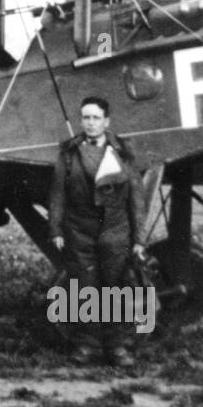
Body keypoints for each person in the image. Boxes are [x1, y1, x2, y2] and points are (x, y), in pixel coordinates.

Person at [48, 95, 148, 368]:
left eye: (95, 118)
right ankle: (86, 345)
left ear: (106, 121)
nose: (90, 123)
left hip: (115, 229)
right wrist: (55, 229)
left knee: (117, 286)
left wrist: (139, 239)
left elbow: (136, 199)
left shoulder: (123, 153)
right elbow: (58, 194)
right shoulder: (69, 154)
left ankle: (118, 347)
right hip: (80, 229)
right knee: (85, 288)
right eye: (86, 118)